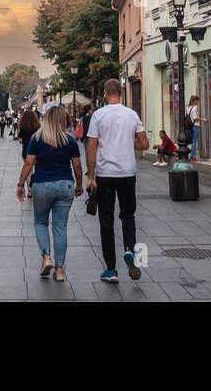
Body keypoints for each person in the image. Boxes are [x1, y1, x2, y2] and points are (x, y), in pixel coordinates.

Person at [86, 78, 148, 284]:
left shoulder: (98, 115)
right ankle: (130, 250)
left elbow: (92, 147)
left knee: (106, 220)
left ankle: (111, 270)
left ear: (105, 93)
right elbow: (144, 143)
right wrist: (126, 144)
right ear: (121, 93)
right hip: (128, 173)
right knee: (128, 215)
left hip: (105, 174)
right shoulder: (132, 114)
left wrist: (90, 176)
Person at [17, 105, 83, 283]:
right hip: (65, 185)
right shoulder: (70, 140)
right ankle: (60, 270)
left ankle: (46, 257)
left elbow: (29, 163)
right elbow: (77, 165)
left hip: (42, 185)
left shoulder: (37, 139)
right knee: (60, 227)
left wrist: (21, 184)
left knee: (40, 222)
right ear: (63, 120)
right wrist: (79, 185)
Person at [17, 107, 41, 198]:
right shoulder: (38, 127)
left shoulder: (22, 127)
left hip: (26, 151)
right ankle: (37, 188)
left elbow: (20, 141)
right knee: (38, 169)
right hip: (38, 152)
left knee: (28, 172)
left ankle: (30, 191)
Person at [186, 95, 202, 162]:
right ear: (194, 100)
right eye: (197, 100)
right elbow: (195, 118)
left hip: (190, 126)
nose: (198, 102)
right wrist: (204, 119)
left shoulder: (187, 107)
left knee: (193, 141)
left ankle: (192, 156)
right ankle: (193, 157)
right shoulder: (195, 107)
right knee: (194, 141)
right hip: (196, 125)